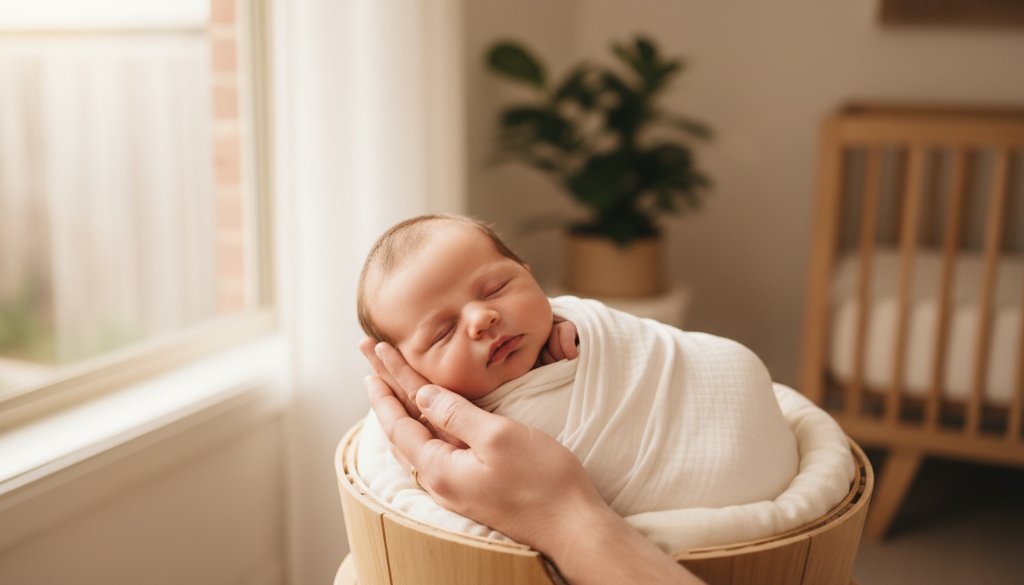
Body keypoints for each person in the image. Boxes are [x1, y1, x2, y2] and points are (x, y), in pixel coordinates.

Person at [361, 338, 706, 585]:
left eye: (496, 287)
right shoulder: (473, 422)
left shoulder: (583, 331)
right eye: (444, 332)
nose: (483, 318)